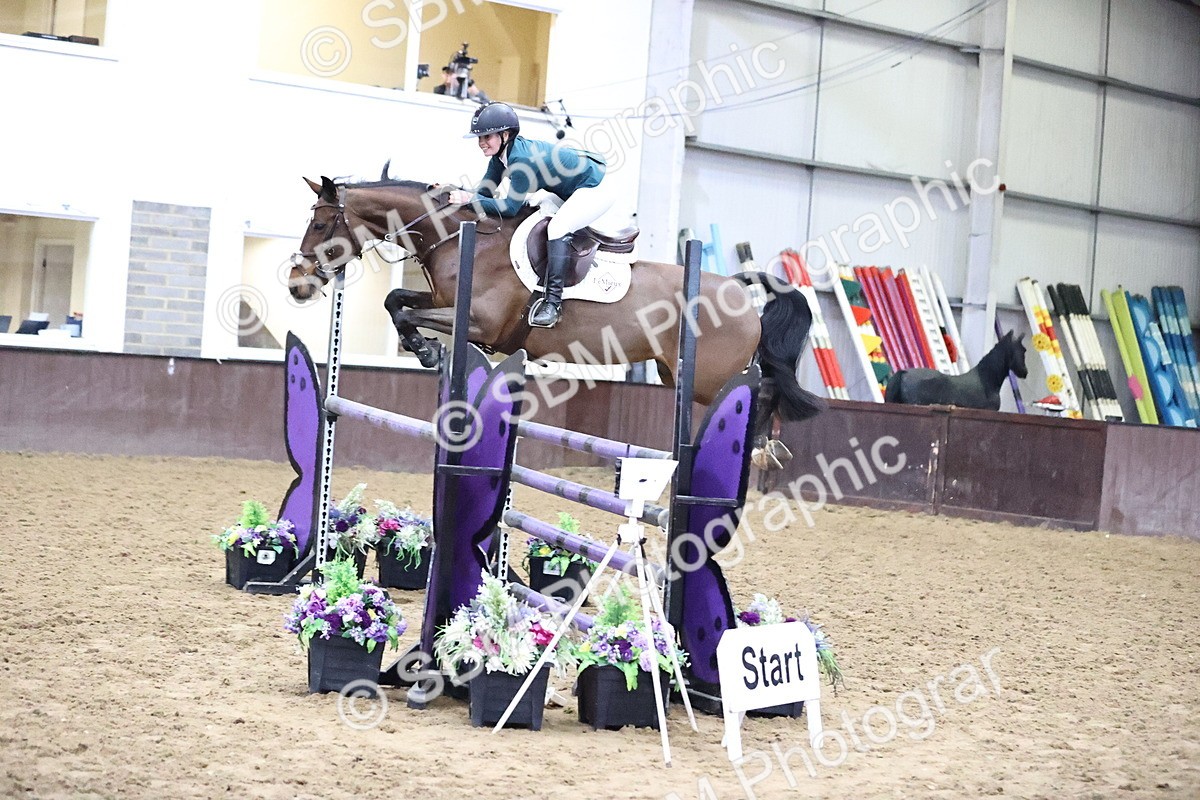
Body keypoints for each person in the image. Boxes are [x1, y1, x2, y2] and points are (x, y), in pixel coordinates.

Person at [447, 101, 613, 328]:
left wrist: (470, 199)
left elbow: (509, 208)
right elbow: (484, 193)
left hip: (596, 187)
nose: (481, 143)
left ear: (505, 135)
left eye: (487, 137)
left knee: (557, 228)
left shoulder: (520, 160)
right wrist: (457, 194)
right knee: (536, 209)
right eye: (479, 138)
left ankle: (553, 304)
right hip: (570, 189)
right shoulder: (499, 158)